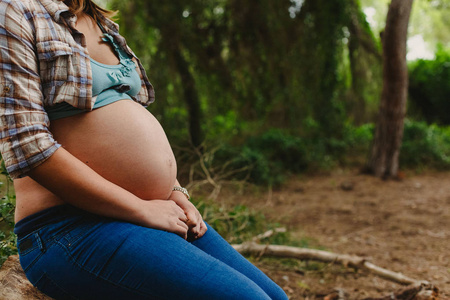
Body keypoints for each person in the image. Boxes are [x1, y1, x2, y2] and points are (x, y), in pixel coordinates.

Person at [0, 0, 289, 299]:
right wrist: (141, 208)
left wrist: (176, 191)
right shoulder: (15, 9)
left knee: (276, 297)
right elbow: (27, 145)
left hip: (144, 217)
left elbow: (127, 115)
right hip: (70, 227)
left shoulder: (101, 22)